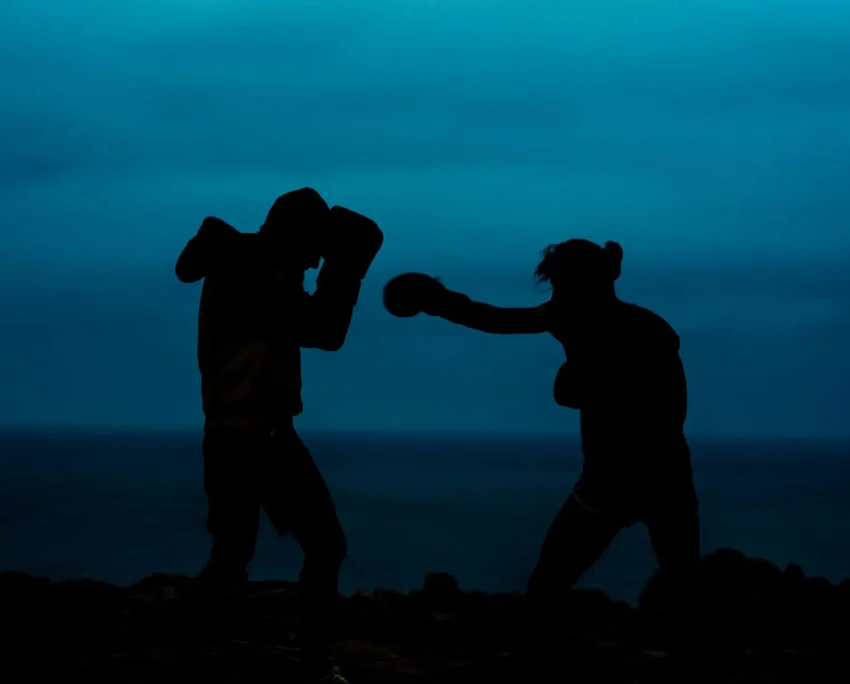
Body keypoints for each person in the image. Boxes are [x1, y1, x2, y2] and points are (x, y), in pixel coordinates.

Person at [382, 239, 700, 675]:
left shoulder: (584, 319)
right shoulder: (643, 325)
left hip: (615, 477)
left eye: (558, 284)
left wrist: (436, 301)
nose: (553, 294)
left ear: (573, 285)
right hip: (665, 472)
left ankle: (532, 663)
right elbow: (496, 320)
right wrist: (439, 301)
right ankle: (695, 658)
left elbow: (499, 323)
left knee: (551, 580)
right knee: (681, 582)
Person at [176, 187, 383, 683]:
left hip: (254, 432)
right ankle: (298, 659)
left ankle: (205, 651)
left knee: (254, 552)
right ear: (293, 236)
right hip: (247, 434)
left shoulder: (259, 270)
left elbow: (316, 325)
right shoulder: (243, 272)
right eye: (313, 250)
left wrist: (341, 259)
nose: (314, 262)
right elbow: (325, 330)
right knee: (254, 553)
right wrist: (348, 265)